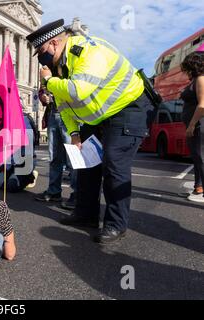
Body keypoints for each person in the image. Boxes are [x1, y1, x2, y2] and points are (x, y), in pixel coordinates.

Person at [27, 19, 154, 244]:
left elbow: (78, 91)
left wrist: (49, 81)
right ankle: (86, 214)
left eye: (42, 51)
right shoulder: (61, 67)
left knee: (114, 164)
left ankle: (116, 224)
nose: (41, 60)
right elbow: (64, 105)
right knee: (85, 161)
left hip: (129, 108)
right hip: (100, 116)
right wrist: (75, 135)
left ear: (55, 43)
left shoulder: (88, 50)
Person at [35, 90, 77, 210]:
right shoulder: (48, 71)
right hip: (53, 113)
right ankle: (54, 191)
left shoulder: (71, 71)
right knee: (54, 157)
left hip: (70, 112)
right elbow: (43, 90)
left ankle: (77, 194)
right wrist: (43, 96)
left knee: (72, 158)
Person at [181, 51, 204, 202]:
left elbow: (202, 105)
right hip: (195, 125)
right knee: (197, 157)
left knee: (201, 157)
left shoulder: (201, 78)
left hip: (200, 124)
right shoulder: (194, 79)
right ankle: (199, 186)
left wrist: (192, 125)